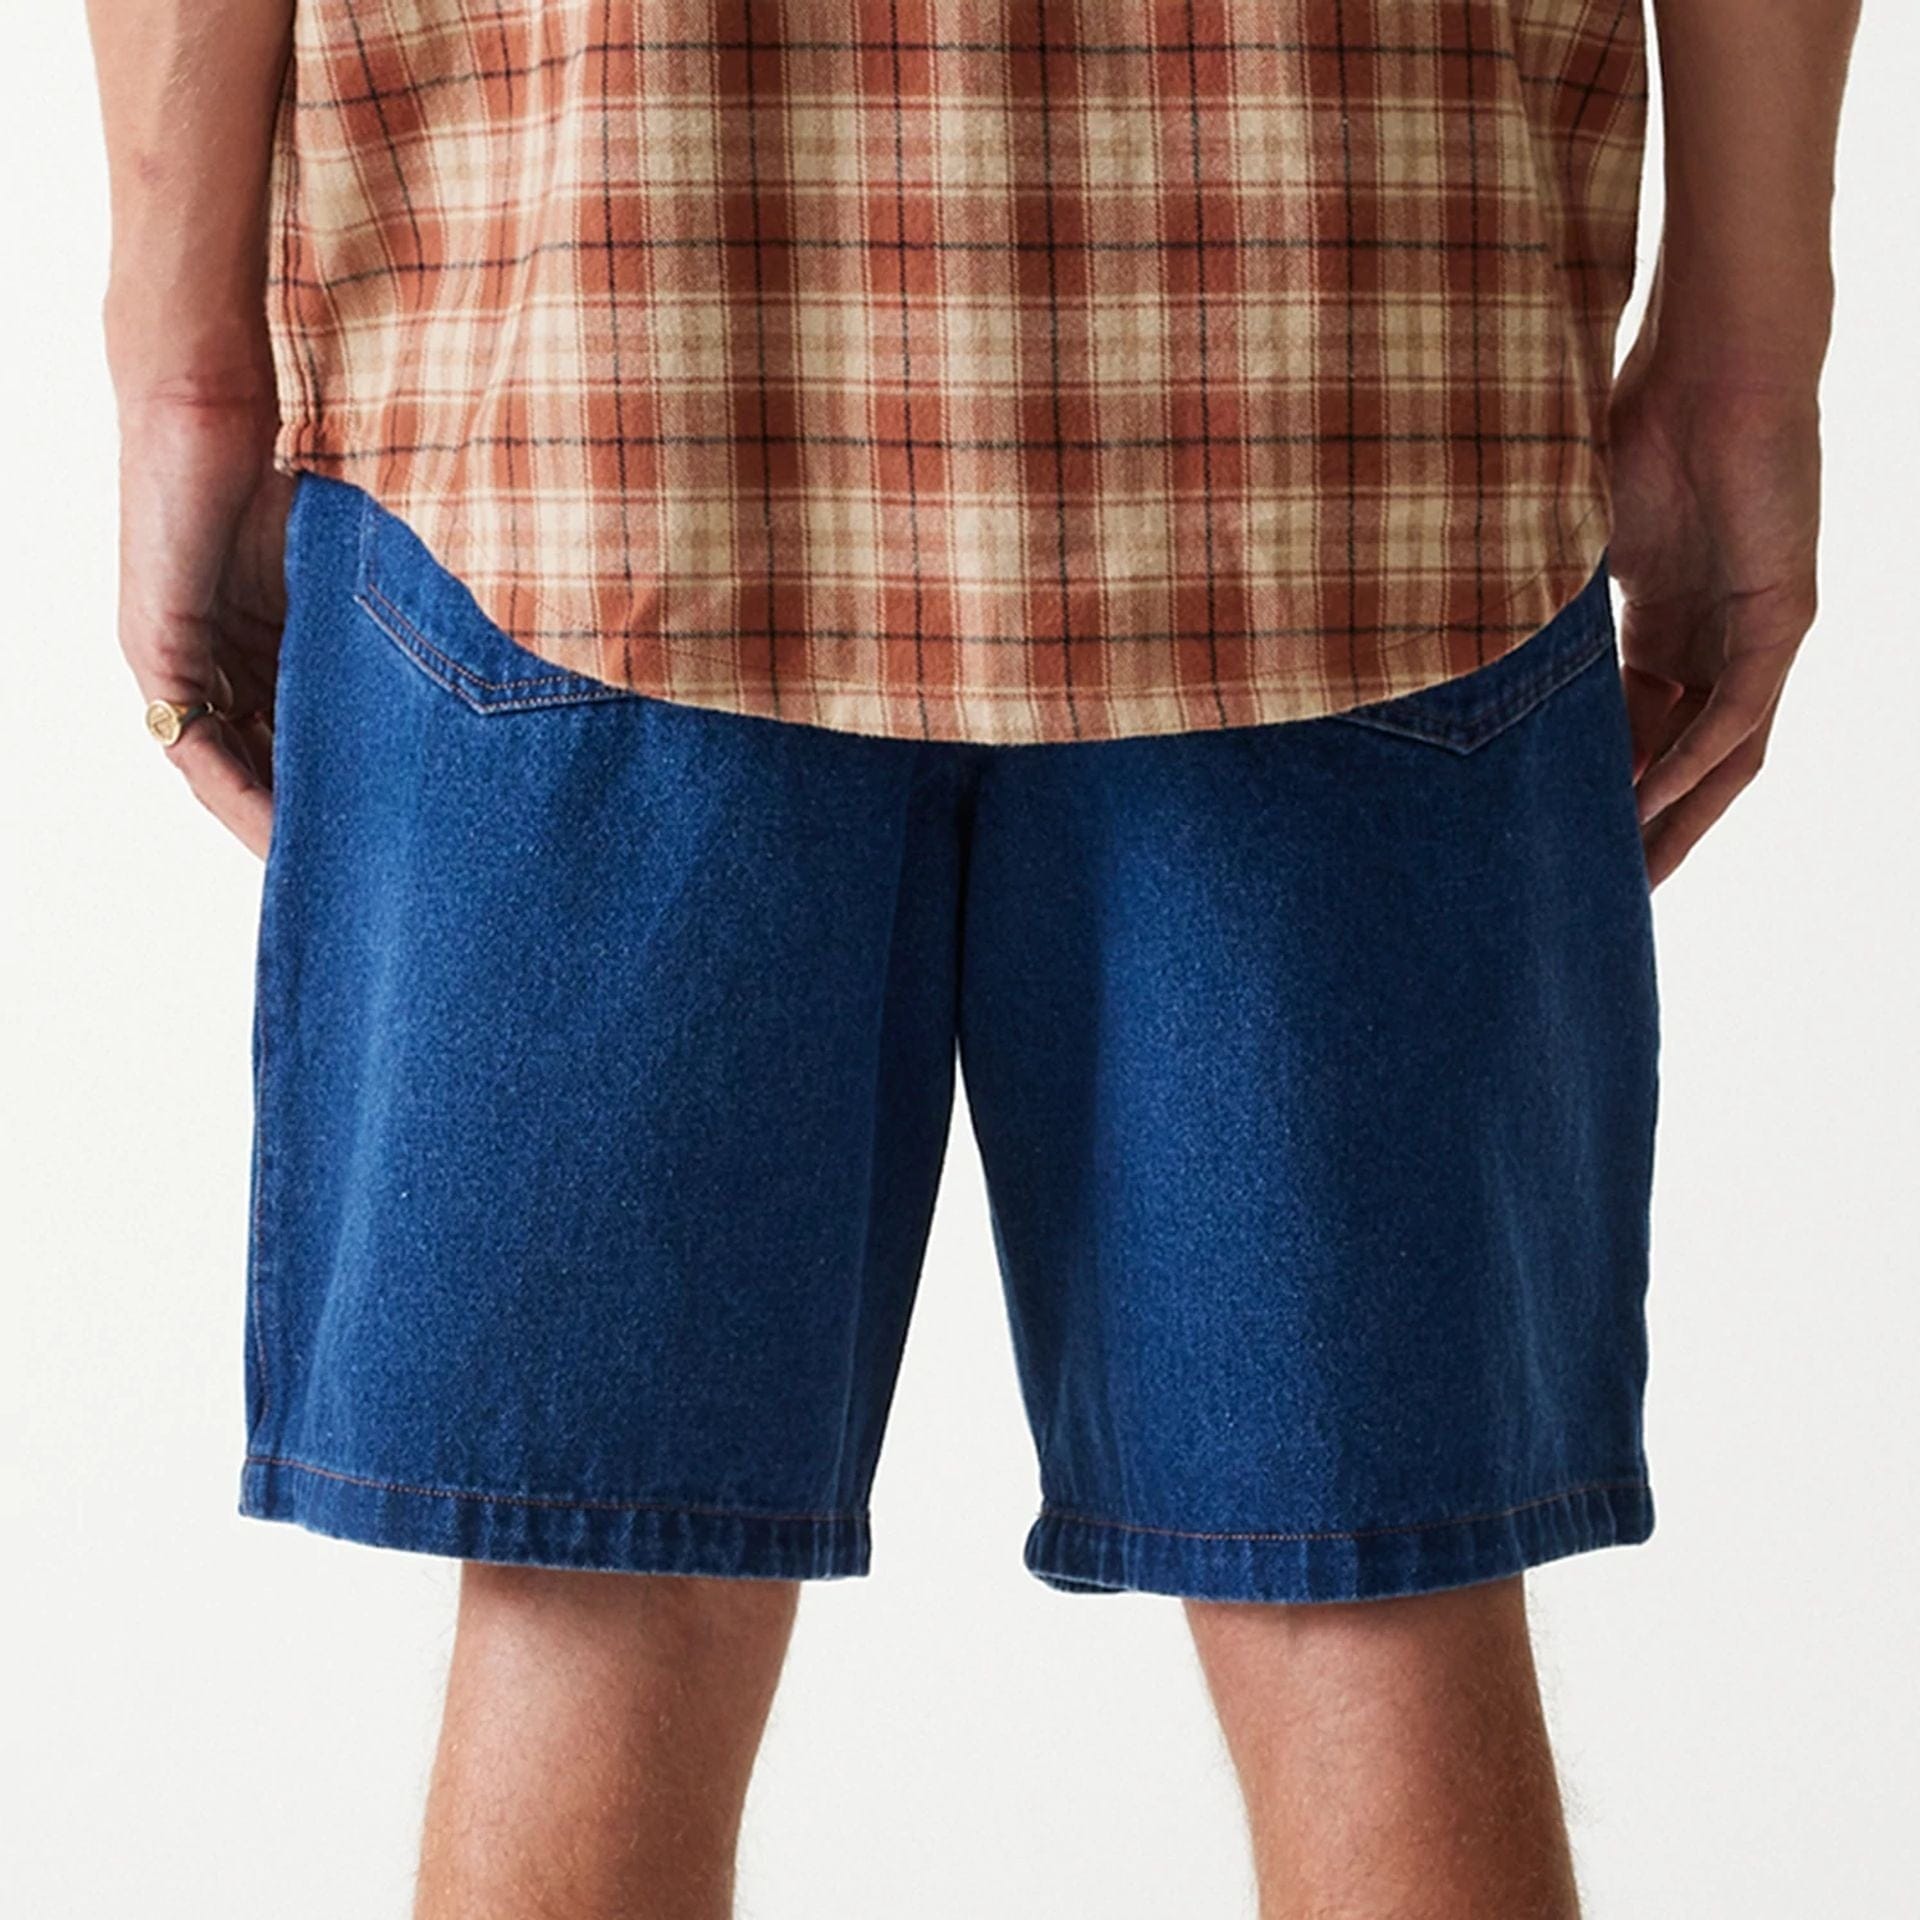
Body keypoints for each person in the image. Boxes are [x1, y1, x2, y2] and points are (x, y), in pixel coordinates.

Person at [86, 2, 1857, 1914]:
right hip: (1358, 351)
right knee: (1375, 1626)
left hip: (593, 349)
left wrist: (187, 370)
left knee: (591, 1621)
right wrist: (1745, 354)